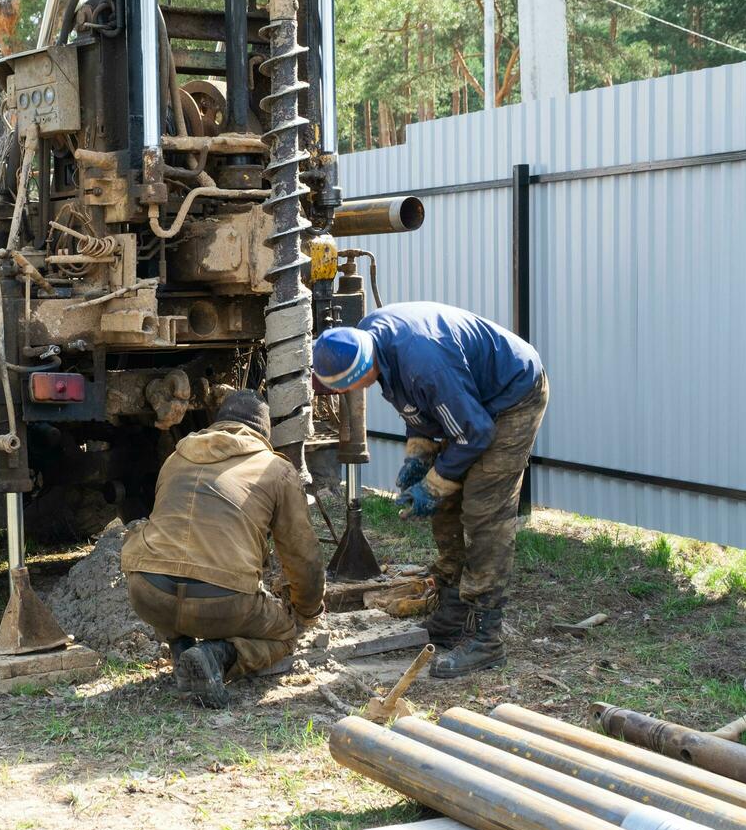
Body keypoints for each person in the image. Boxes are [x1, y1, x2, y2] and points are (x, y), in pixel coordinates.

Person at [312, 302, 548, 678]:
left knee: (483, 509)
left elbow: (475, 432)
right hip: (471, 401)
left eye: (350, 388)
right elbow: (418, 407)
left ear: (361, 372)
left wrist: (434, 485)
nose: (352, 394)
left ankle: (487, 636)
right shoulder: (372, 342)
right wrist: (417, 461)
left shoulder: (424, 364)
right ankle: (453, 611)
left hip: (511, 395)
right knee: (447, 507)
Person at [121, 390, 324, 708]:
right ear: (263, 433)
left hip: (148, 593)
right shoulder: (275, 468)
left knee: (165, 564)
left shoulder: (176, 457)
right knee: (284, 633)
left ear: (218, 424)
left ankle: (181, 648)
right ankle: (216, 657)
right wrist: (307, 611)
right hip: (222, 601)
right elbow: (302, 554)